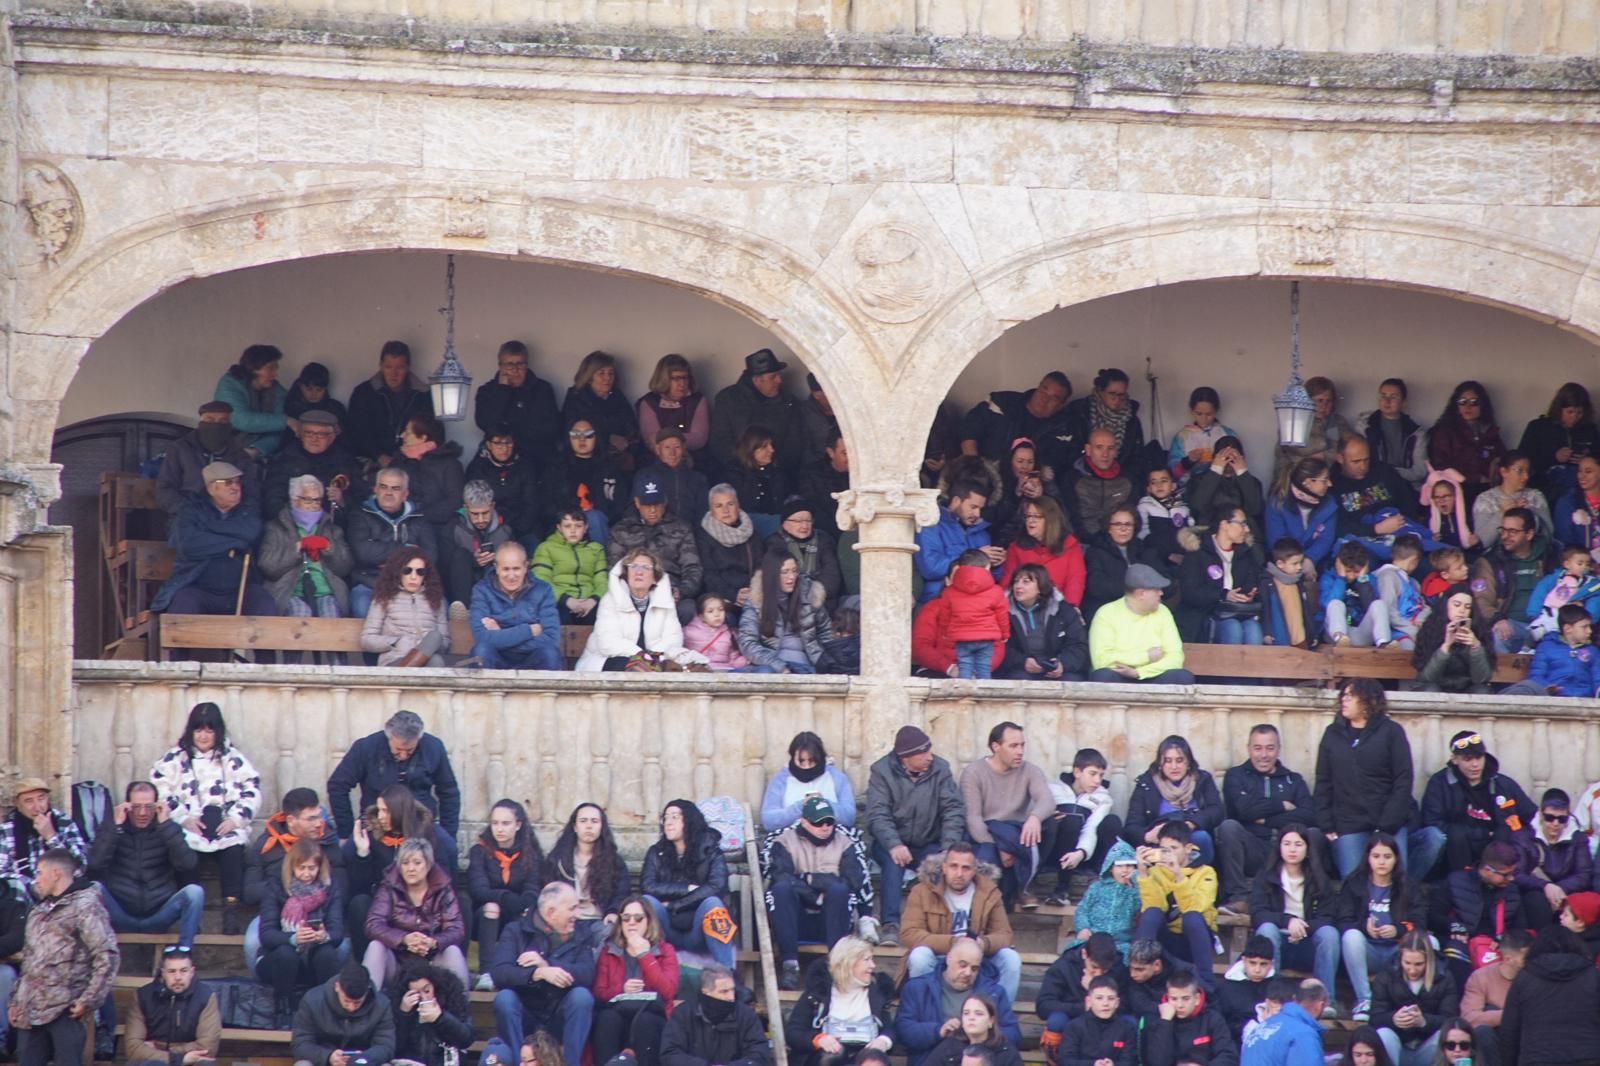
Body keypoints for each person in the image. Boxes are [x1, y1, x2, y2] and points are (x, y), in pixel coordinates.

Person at [150, 700, 262, 935]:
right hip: (190, 825)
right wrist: (183, 818)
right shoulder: (175, 759)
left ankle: (231, 911)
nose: (203, 736)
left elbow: (252, 787)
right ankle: (192, 914)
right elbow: (160, 788)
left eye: (209, 730)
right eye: (198, 729)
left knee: (233, 850)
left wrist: (235, 819)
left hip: (224, 823)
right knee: (183, 853)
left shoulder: (232, 758)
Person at [9, 849, 119, 1066]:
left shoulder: (86, 906)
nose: (36, 879)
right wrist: (16, 1001)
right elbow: (29, 960)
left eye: (40, 873)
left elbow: (106, 955)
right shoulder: (38, 911)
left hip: (66, 1009)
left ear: (56, 873)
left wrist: (88, 1000)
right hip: (31, 1010)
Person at [864, 726, 965, 948]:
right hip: (891, 843)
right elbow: (877, 814)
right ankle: (890, 924)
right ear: (905, 758)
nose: (930, 757)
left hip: (927, 840)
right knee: (894, 863)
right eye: (923, 753)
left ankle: (936, 927)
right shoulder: (882, 771)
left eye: (930, 751)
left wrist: (947, 849)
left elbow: (953, 810)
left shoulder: (941, 769)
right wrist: (894, 844)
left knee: (941, 867)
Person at [762, 797, 874, 988]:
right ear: (804, 822)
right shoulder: (784, 842)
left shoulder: (846, 843)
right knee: (781, 890)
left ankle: (835, 966)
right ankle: (790, 965)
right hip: (795, 918)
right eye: (818, 822)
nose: (825, 827)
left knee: (840, 891)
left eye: (829, 822)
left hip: (834, 918)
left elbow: (853, 882)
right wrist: (818, 896)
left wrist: (809, 879)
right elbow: (781, 877)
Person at [1314, 679, 1419, 878]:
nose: (1343, 700)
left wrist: (1388, 823)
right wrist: (1326, 823)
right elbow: (1323, 781)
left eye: (1350, 696)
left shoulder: (1391, 731)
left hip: (1390, 822)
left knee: (1395, 882)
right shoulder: (1332, 733)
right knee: (1353, 884)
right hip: (1349, 823)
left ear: (1368, 700)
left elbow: (1403, 780)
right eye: (1342, 695)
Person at [343, 785, 459, 958]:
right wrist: (363, 854)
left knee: (460, 903)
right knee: (359, 903)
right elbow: (359, 887)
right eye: (380, 810)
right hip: (384, 905)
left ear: (400, 811)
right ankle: (363, 965)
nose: (381, 816)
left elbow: (442, 877)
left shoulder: (427, 834)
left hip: (422, 906)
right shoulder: (372, 835)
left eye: (386, 811)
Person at [491, 881, 600, 1066]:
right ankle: (521, 1063)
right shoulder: (516, 931)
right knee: (504, 999)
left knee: (582, 997)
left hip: (560, 1015)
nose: (577, 914)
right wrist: (538, 973)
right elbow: (500, 973)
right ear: (551, 912)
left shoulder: (583, 932)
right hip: (526, 1015)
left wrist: (548, 964)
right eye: (572, 909)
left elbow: (588, 973)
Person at [900, 843, 1022, 1008]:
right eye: (954, 866)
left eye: (966, 868)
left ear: (974, 870)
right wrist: (954, 942)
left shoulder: (989, 891)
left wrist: (982, 943)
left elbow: (1004, 934)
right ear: (944, 867)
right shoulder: (922, 891)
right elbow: (910, 934)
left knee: (1010, 958)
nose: (959, 873)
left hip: (977, 956)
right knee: (919, 956)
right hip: (939, 956)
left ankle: (998, 1019)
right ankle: (924, 1012)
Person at [150, 460, 278, 617]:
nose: (235, 487)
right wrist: (236, 543)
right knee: (183, 604)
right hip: (199, 588)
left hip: (240, 589)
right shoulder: (191, 510)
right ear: (211, 488)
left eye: (237, 482)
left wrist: (207, 530)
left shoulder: (248, 508)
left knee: (264, 603)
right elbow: (189, 545)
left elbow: (250, 533)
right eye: (228, 482)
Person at [242, 787, 345, 976]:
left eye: (319, 816)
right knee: (252, 942)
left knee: (342, 947)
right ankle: (264, 986)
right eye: (311, 819)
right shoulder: (267, 845)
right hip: (275, 911)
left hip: (320, 912)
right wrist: (287, 890)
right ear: (291, 820)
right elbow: (249, 891)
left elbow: (340, 885)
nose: (319, 823)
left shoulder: (328, 841)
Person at [88, 780, 203, 947]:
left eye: (148, 807)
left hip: (159, 914)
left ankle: (184, 954)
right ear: (127, 806)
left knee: (195, 893)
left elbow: (188, 864)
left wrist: (165, 826)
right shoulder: (112, 829)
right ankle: (96, 956)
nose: (142, 813)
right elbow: (95, 863)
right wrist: (115, 828)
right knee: (92, 888)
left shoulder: (168, 829)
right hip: (120, 913)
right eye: (136, 807)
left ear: (157, 806)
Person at [1217, 724, 1316, 914]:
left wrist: (1266, 819)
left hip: (1285, 850)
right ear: (1248, 748)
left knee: (1313, 834)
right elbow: (1241, 810)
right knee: (1228, 827)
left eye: (1270, 748)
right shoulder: (1235, 776)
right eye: (1258, 748)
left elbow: (1309, 816)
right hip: (1252, 848)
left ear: (1278, 749)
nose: (1264, 755)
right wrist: (1282, 806)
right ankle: (1239, 897)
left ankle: (1311, 898)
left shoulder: (1293, 780)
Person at [959, 721, 1054, 906]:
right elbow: (973, 819)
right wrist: (1000, 847)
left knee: (1051, 824)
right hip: (989, 835)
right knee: (986, 854)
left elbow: (1047, 801)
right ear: (996, 747)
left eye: (1022, 745)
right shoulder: (973, 772)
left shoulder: (1030, 770)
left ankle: (1026, 885)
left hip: (1018, 833)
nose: (1020, 751)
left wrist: (1034, 818)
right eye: (1013, 746)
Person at [1248, 824, 1339, 1014]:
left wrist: (1303, 927)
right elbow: (1258, 913)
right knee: (1266, 929)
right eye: (1287, 843)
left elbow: (1327, 916)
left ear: (1307, 849)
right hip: (1279, 940)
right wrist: (1288, 921)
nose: (1292, 849)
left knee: (1329, 934)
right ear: (1279, 847)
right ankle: (1272, 999)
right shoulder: (1266, 876)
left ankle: (1326, 1000)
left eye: (1298, 844)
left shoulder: (1318, 878)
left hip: (1308, 944)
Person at [328, 710, 460, 841]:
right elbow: (337, 785)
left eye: (409, 751)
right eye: (398, 750)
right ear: (389, 737)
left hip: (419, 827)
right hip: (375, 827)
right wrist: (346, 832)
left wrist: (448, 834)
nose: (403, 756)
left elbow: (449, 792)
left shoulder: (433, 748)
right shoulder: (366, 748)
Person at [1418, 731, 1533, 879]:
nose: (1475, 764)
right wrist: (1475, 834)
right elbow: (1431, 823)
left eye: (1479, 757)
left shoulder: (1502, 784)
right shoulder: (1439, 783)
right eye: (1467, 759)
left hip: (1496, 852)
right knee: (1455, 834)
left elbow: (1532, 816)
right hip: (1455, 853)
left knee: (1504, 831)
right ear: (1454, 759)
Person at [641, 799, 737, 971]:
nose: (668, 822)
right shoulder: (657, 852)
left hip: (699, 930)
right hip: (666, 928)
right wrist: (686, 889)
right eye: (666, 817)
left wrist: (674, 904)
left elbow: (716, 887)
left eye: (675, 817)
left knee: (713, 904)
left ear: (690, 820)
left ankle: (728, 975)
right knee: (646, 902)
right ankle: (646, 972)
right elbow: (648, 886)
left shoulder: (710, 850)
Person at [362, 836, 469, 990]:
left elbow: (457, 929)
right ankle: (368, 1006)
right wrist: (404, 939)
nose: (410, 868)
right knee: (376, 946)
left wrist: (433, 942)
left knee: (452, 951)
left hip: (432, 962)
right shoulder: (389, 887)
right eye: (405, 863)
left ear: (428, 865)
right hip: (398, 963)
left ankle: (461, 1010)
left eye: (417, 863)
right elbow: (373, 924)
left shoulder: (443, 889)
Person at [256, 836, 345, 1017]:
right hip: (278, 960)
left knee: (327, 953)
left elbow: (337, 930)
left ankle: (327, 1011)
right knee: (286, 954)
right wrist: (293, 939)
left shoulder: (330, 887)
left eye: (312, 868)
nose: (306, 874)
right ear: (292, 867)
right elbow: (267, 933)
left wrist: (324, 936)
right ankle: (283, 1010)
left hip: (314, 957)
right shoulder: (277, 886)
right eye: (301, 868)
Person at [576, 552, 710, 671]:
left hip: (653, 660)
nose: (638, 572)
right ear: (626, 573)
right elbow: (607, 642)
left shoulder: (665, 601)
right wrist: (642, 655)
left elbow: (674, 638)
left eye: (645, 568)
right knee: (631, 665)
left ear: (654, 578)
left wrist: (653, 657)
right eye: (633, 566)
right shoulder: (610, 600)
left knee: (689, 665)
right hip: (607, 660)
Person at [1336, 833, 1419, 1024]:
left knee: (1431, 942)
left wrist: (1398, 930)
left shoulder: (1407, 885)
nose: (1381, 862)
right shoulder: (1354, 883)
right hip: (1368, 952)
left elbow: (1420, 921)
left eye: (1387, 857)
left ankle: (1413, 1001)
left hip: (1398, 952)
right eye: (1376, 856)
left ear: (1396, 859)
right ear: (1368, 858)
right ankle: (1365, 999)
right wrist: (1363, 927)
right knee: (1351, 936)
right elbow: (1343, 920)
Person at [898, 938, 1021, 1066]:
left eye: (974, 969)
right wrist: (938, 1031)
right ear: (948, 959)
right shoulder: (918, 988)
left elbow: (1013, 1033)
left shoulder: (994, 992)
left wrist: (983, 1035)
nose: (968, 972)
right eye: (962, 965)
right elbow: (904, 1031)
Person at [592, 894, 679, 1066]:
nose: (631, 922)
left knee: (646, 1022)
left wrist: (645, 956)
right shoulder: (609, 950)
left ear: (649, 922)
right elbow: (599, 992)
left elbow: (669, 991)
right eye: (626, 918)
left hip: (651, 1016)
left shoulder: (665, 950)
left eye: (638, 918)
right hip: (618, 1014)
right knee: (607, 1018)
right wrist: (621, 989)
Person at [783, 936, 894, 1066]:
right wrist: (818, 1040)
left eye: (872, 959)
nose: (872, 966)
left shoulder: (877, 992)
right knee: (832, 1057)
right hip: (826, 1059)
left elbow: (889, 1029)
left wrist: (883, 1040)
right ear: (849, 962)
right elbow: (794, 1032)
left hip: (864, 1057)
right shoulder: (818, 992)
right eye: (866, 960)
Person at [468, 800, 546, 985]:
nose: (499, 829)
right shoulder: (479, 852)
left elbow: (533, 889)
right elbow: (479, 890)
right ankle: (486, 973)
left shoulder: (530, 854)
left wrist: (523, 903)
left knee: (531, 912)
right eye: (495, 823)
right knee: (492, 907)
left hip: (517, 914)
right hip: (485, 920)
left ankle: (519, 970)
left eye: (505, 823)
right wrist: (505, 897)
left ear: (518, 825)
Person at [1498, 926, 1600, 1066]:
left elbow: (1509, 1031)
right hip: (1589, 1057)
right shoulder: (1593, 976)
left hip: (1537, 1058)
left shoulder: (1525, 978)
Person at [1133, 822, 1219, 989]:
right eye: (1164, 849)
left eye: (1174, 848)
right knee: (1150, 914)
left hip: (1194, 938)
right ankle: (1139, 970)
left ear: (1188, 848)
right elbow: (1153, 907)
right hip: (1167, 939)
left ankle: (1207, 982)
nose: (1168, 854)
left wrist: (1178, 875)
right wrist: (1143, 873)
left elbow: (1196, 907)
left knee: (1192, 917)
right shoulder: (1156, 871)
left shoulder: (1207, 872)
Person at [347, 467, 440, 618]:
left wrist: (387, 558)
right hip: (370, 582)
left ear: (405, 494)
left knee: (440, 609)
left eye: (395, 488)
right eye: (383, 487)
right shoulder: (360, 515)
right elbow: (363, 553)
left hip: (413, 585)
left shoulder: (419, 518)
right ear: (375, 489)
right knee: (362, 609)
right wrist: (407, 550)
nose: (388, 493)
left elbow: (430, 557)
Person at [260, 473, 355, 618]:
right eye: (307, 500)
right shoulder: (276, 528)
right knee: (301, 615)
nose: (313, 505)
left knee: (330, 618)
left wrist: (329, 548)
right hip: (289, 592)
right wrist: (296, 549)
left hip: (326, 591)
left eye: (317, 500)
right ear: (294, 500)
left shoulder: (332, 529)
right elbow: (268, 567)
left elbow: (345, 568)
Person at [608, 479, 705, 620]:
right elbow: (614, 569)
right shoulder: (621, 530)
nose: (652, 510)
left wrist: (681, 592)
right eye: (647, 505)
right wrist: (630, 592)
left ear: (664, 502)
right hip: (633, 591)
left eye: (657, 504)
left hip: (671, 590)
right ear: (637, 502)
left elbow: (692, 567)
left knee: (687, 608)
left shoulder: (681, 528)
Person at [1124, 735, 1224, 865]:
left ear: (1188, 763)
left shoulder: (1202, 779)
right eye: (1168, 761)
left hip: (1193, 842)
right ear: (1160, 764)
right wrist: (1148, 836)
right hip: (1160, 845)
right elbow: (1131, 826)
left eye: (1179, 760)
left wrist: (1190, 824)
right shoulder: (1146, 784)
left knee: (1202, 838)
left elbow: (1217, 811)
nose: (1174, 766)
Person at [1086, 563, 1194, 683]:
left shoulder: (1163, 611)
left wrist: (1138, 673)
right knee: (1103, 676)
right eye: (1157, 590)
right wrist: (1146, 656)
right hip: (1120, 676)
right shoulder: (1106, 613)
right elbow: (1102, 660)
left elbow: (1176, 658)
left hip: (1152, 675)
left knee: (1182, 677)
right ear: (1141, 594)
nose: (1161, 594)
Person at [1175, 505, 1265, 645]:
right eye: (1242, 524)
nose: (1246, 529)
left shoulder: (1245, 552)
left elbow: (1251, 582)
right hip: (1204, 615)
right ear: (1224, 524)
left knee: (1253, 629)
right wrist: (1223, 594)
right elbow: (1190, 593)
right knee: (1232, 628)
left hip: (1237, 612)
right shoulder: (1198, 551)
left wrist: (1249, 594)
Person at [737, 547, 835, 673]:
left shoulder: (810, 595)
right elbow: (747, 642)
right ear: (772, 575)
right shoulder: (756, 601)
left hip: (808, 665)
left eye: (794, 571)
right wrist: (778, 665)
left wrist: (826, 661)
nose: (791, 577)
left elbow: (826, 633)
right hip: (773, 666)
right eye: (785, 572)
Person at [468, 542, 563, 670]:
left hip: (532, 658)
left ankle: (546, 691)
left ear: (526, 567)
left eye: (516, 569)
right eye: (506, 569)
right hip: (497, 657)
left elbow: (551, 638)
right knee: (481, 651)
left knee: (550, 653)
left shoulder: (543, 590)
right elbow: (481, 637)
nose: (511, 576)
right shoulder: (482, 590)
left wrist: (501, 635)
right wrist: (529, 630)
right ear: (496, 568)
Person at [1471, 505, 1552, 653]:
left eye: (1512, 531)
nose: (1504, 536)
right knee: (1498, 635)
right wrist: (1498, 619)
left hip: (1547, 624)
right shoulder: (1491, 561)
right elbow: (1481, 599)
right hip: (1511, 625)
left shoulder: (1551, 555)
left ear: (1529, 534)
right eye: (1503, 530)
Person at [1440, 843, 1522, 988]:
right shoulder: (1456, 881)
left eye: (1513, 873)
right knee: (1454, 953)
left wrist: (1505, 939)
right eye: (1505, 874)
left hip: (1495, 946)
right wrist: (1454, 926)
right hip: (1462, 941)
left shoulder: (1512, 890)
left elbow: (1521, 927)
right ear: (1486, 869)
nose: (1511, 879)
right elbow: (1434, 915)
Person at [158, 399, 260, 516]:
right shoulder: (180, 449)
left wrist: (234, 514)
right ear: (201, 422)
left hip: (228, 518)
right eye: (210, 420)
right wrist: (189, 510)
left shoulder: (240, 455)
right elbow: (165, 489)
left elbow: (251, 493)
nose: (216, 425)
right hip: (188, 516)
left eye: (222, 421)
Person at [124, 944, 221, 1066]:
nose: (178, 977)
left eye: (184, 971)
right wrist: (178, 1059)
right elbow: (133, 1048)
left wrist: (171, 1053)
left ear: (192, 972)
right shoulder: (143, 996)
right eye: (171, 971)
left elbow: (207, 1047)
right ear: (163, 973)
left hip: (190, 1061)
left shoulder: (206, 996)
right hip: (155, 1062)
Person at [709, 348, 803, 475]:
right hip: (738, 475)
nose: (779, 381)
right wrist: (745, 466)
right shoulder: (728, 399)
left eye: (779, 375)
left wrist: (774, 467)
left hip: (780, 475)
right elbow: (720, 442)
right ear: (757, 380)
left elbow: (795, 443)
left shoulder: (789, 402)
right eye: (773, 377)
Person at [263, 409, 369, 520]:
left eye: (321, 434)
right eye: (308, 433)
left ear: (332, 437)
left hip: (334, 527)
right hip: (292, 525)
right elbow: (273, 499)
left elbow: (362, 498)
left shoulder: (344, 461)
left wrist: (342, 500)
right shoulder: (284, 459)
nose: (314, 439)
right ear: (299, 434)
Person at [1372, 932, 1459, 1066]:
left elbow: (1451, 1019)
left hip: (1428, 1049)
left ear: (1429, 960)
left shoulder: (1444, 978)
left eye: (1418, 964)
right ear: (1400, 957)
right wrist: (1393, 1019)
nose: (1412, 970)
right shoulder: (1387, 975)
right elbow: (1375, 1017)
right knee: (1384, 1034)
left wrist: (1424, 1021)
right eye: (1407, 963)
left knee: (1445, 1035)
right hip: (1398, 1048)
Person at [545, 802, 630, 936]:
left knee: (609, 934)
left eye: (594, 821)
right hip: (567, 920)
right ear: (575, 827)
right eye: (583, 821)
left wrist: (613, 911)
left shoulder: (613, 860)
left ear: (601, 827)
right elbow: (547, 891)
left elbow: (621, 893)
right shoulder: (558, 858)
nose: (589, 826)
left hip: (599, 920)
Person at [346, 340, 435, 466]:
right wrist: (378, 456)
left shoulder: (422, 395)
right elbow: (356, 431)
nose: (394, 374)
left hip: (413, 463)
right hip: (371, 463)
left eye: (400, 367)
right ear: (381, 366)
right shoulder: (364, 393)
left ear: (408, 367)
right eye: (388, 367)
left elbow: (430, 432)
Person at [291, 960, 397, 1066]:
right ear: (337, 987)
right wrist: (328, 1056)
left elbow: (385, 1046)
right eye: (347, 1001)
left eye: (357, 1002)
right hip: (324, 1061)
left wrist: (365, 1058)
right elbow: (300, 1043)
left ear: (367, 990)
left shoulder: (382, 1005)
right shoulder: (312, 1001)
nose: (351, 1008)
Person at [659, 964, 770, 1066]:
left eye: (732, 990)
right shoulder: (683, 1014)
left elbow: (759, 1054)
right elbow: (670, 1054)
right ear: (706, 991)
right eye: (724, 991)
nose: (731, 997)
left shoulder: (745, 1015)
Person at [1513, 789, 1592, 929]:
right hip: (1536, 893)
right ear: (1541, 814)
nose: (1555, 823)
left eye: (1562, 819)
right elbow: (1517, 874)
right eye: (1550, 817)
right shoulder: (1523, 836)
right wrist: (1545, 886)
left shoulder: (1578, 838)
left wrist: (1559, 889)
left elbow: (1584, 874)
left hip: (1566, 893)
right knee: (1535, 900)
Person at [1330, 435, 1424, 553]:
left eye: (1366, 460)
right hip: (1361, 547)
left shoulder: (1384, 472)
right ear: (1340, 458)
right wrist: (1375, 529)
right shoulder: (1332, 486)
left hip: (1400, 537)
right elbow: (1337, 527)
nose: (1363, 466)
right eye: (1356, 462)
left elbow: (1408, 503)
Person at [1035, 931, 1127, 1051]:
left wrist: (1093, 990)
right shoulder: (1063, 966)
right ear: (1084, 954)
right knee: (1056, 1020)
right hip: (1073, 1019)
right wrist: (1084, 1007)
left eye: (1104, 970)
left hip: (1108, 1021)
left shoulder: (1119, 969)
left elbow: (1127, 1005)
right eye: (1094, 967)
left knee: (1129, 1022)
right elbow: (1043, 1006)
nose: (1098, 974)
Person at [997, 562, 1089, 681]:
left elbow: (1078, 645)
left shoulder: (1063, 610)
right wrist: (1022, 662)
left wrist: (1062, 664)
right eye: (1016, 581)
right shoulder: (1003, 611)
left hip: (1056, 668)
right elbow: (999, 645)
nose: (1018, 586)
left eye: (1026, 582)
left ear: (1040, 586)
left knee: (1072, 681)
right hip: (1020, 669)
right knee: (1018, 679)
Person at [360, 551, 451, 667]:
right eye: (407, 571)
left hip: (426, 660)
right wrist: (395, 642)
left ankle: (404, 676)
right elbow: (366, 640)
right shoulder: (384, 597)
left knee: (435, 642)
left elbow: (445, 642)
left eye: (420, 572)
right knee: (436, 660)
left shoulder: (436, 599)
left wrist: (425, 645)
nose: (413, 577)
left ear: (425, 576)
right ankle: (403, 673)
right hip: (394, 661)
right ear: (398, 572)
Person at [0, 778, 88, 898]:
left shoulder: (63, 822)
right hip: (25, 897)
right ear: (18, 805)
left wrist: (51, 836)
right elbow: (1, 872)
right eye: (29, 801)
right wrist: (33, 884)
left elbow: (80, 867)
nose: (37, 807)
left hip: (65, 894)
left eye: (41, 799)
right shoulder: (6, 830)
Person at [917, 481, 1002, 603]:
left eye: (980, 509)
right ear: (957, 501)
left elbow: (991, 579)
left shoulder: (982, 533)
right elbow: (931, 568)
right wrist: (975, 557)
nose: (977, 514)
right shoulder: (932, 525)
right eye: (973, 507)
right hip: (939, 600)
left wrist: (996, 564)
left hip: (976, 603)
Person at [475, 340, 563, 459]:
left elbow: (551, 428)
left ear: (527, 365)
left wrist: (512, 429)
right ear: (500, 366)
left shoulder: (542, 389)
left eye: (520, 364)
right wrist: (503, 391)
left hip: (537, 457)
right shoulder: (487, 391)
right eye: (510, 365)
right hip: (501, 459)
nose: (515, 370)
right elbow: (486, 424)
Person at [1081, 505, 1167, 622]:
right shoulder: (1095, 552)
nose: (1123, 529)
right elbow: (1097, 587)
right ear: (1108, 528)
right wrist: (1138, 591)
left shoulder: (1145, 550)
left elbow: (1165, 582)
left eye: (1128, 524)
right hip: (1108, 612)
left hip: (1143, 611)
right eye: (1117, 524)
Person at [763, 732, 857, 831]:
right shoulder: (781, 781)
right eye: (801, 761)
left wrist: (823, 805)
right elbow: (769, 821)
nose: (807, 766)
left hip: (831, 838)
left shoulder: (837, 778)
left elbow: (849, 817)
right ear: (793, 757)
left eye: (812, 760)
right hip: (792, 840)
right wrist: (800, 807)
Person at [1411, 585, 1496, 694]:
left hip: (1466, 687)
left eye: (1467, 607)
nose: (1462, 610)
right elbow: (1427, 678)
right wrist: (1446, 646)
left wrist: (1476, 647)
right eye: (1456, 605)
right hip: (1435, 685)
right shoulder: (1430, 629)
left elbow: (1482, 679)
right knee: (1431, 690)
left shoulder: (1480, 632)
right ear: (1446, 605)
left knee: (1482, 691)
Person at [393, 414, 466, 541]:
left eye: (408, 432)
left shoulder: (449, 464)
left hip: (442, 531)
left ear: (423, 437)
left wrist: (420, 515)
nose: (402, 435)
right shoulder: (399, 461)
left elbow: (455, 501)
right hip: (404, 528)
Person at [1428, 382, 1507, 499]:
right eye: (1462, 402)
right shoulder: (1444, 431)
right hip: (1456, 490)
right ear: (1456, 405)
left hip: (1488, 490)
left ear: (1482, 405)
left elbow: (1503, 460)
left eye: (1474, 402)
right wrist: (1474, 478)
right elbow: (1440, 466)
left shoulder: (1490, 431)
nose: (1468, 407)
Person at [1145, 969, 1240, 1066]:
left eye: (1186, 999)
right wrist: (1165, 1022)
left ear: (1197, 999)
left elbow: (1228, 1055)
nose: (1179, 1005)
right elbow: (1157, 1062)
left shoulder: (1212, 1019)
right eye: (1174, 999)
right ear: (1167, 998)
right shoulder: (1157, 1021)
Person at [467, 425, 544, 544]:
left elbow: (531, 503)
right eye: (498, 443)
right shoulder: (477, 468)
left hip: (523, 528)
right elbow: (475, 506)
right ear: (489, 445)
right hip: (491, 529)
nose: (504, 448)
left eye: (508, 443)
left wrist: (516, 531)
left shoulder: (525, 466)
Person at [940, 550, 1010, 680]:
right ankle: (983, 698)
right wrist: (1004, 634)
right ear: (986, 569)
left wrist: (945, 633)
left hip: (962, 638)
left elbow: (945, 615)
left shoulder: (949, 592)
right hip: (986, 638)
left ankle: (964, 696)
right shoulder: (996, 591)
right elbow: (1002, 615)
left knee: (964, 669)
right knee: (984, 669)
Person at [212, 343, 292, 457]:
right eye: (270, 368)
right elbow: (240, 420)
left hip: (259, 453)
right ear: (254, 368)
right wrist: (286, 421)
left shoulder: (277, 391)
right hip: (223, 447)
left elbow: (277, 431)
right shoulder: (229, 384)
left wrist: (257, 450)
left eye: (276, 368)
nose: (275, 374)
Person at [532, 509, 608, 626]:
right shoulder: (546, 548)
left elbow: (602, 581)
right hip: (558, 602)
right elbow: (541, 580)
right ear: (559, 527)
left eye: (578, 526)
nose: (573, 530)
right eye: (567, 526)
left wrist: (593, 600)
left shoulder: (596, 549)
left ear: (586, 527)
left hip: (589, 602)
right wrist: (567, 600)